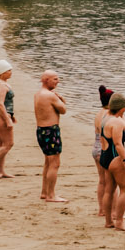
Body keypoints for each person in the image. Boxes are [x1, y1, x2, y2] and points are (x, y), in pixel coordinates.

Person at [33, 70, 69, 203]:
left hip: (41, 130)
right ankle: (51, 195)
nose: (57, 81)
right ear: (46, 80)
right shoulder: (50, 95)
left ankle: (44, 192)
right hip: (51, 130)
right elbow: (63, 110)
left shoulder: (38, 94)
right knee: (54, 163)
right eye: (55, 79)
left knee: (48, 162)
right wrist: (61, 99)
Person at [100, 93, 125, 230]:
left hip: (105, 156)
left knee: (109, 189)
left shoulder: (105, 118)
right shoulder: (117, 122)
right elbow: (118, 144)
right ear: (122, 108)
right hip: (115, 157)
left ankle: (108, 221)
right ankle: (119, 221)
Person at [92, 85, 116, 222]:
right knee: (112, 183)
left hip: (95, 148)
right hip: (105, 149)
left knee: (102, 180)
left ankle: (101, 209)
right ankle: (112, 211)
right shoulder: (109, 115)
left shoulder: (98, 113)